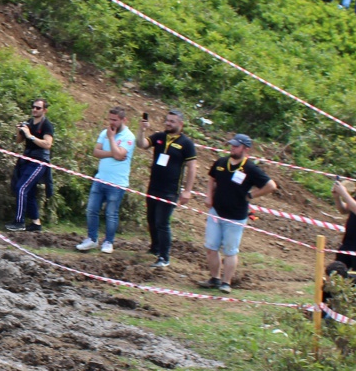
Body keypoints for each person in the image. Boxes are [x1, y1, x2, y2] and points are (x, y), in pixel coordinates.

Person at [201, 134, 275, 292]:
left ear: (245, 149)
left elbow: (270, 186)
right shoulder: (221, 162)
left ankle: (226, 282)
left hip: (236, 216)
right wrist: (209, 195)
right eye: (232, 145)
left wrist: (251, 195)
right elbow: (212, 178)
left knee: (230, 250)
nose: (232, 147)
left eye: (236, 145)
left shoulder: (251, 168)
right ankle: (215, 278)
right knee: (211, 247)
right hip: (216, 211)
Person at [77, 106, 135, 255]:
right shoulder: (104, 132)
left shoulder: (129, 137)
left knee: (111, 213)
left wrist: (111, 139)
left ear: (124, 120)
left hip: (117, 183)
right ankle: (92, 238)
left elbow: (120, 153)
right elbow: (96, 152)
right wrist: (112, 153)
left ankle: (109, 241)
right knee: (91, 209)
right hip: (100, 178)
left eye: (115, 120)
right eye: (110, 119)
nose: (111, 123)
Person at [145, 110, 198, 268]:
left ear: (180, 124)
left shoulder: (186, 143)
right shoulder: (159, 137)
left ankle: (164, 256)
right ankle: (155, 248)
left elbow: (192, 168)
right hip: (153, 186)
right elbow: (142, 144)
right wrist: (142, 130)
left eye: (172, 121)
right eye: (167, 120)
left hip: (170, 190)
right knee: (151, 219)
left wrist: (187, 190)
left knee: (162, 222)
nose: (168, 123)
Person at [6, 99, 54, 233]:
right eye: (33, 107)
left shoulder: (46, 125)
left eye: (38, 108)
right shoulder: (30, 122)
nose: (34, 110)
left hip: (39, 161)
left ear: (44, 110)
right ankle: (35, 223)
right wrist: (20, 131)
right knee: (29, 191)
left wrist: (30, 135)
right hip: (27, 159)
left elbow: (48, 144)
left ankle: (19, 222)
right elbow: (19, 141)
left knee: (21, 188)